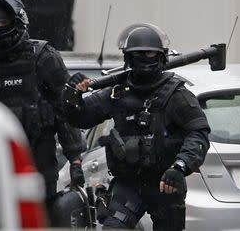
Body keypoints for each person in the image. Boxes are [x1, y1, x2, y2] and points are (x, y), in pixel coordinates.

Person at [63, 23, 210, 230]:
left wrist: (180, 166)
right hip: (128, 184)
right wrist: (72, 93)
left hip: (165, 183)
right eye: (137, 54)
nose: (144, 58)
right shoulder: (116, 92)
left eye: (149, 53)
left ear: (161, 56)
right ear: (128, 57)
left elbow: (198, 134)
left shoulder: (176, 94)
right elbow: (80, 118)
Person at [0, 0, 85, 224]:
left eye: (4, 22)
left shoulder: (43, 56)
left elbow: (65, 109)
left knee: (40, 219)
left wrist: (76, 160)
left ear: (18, 19)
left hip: (40, 160)